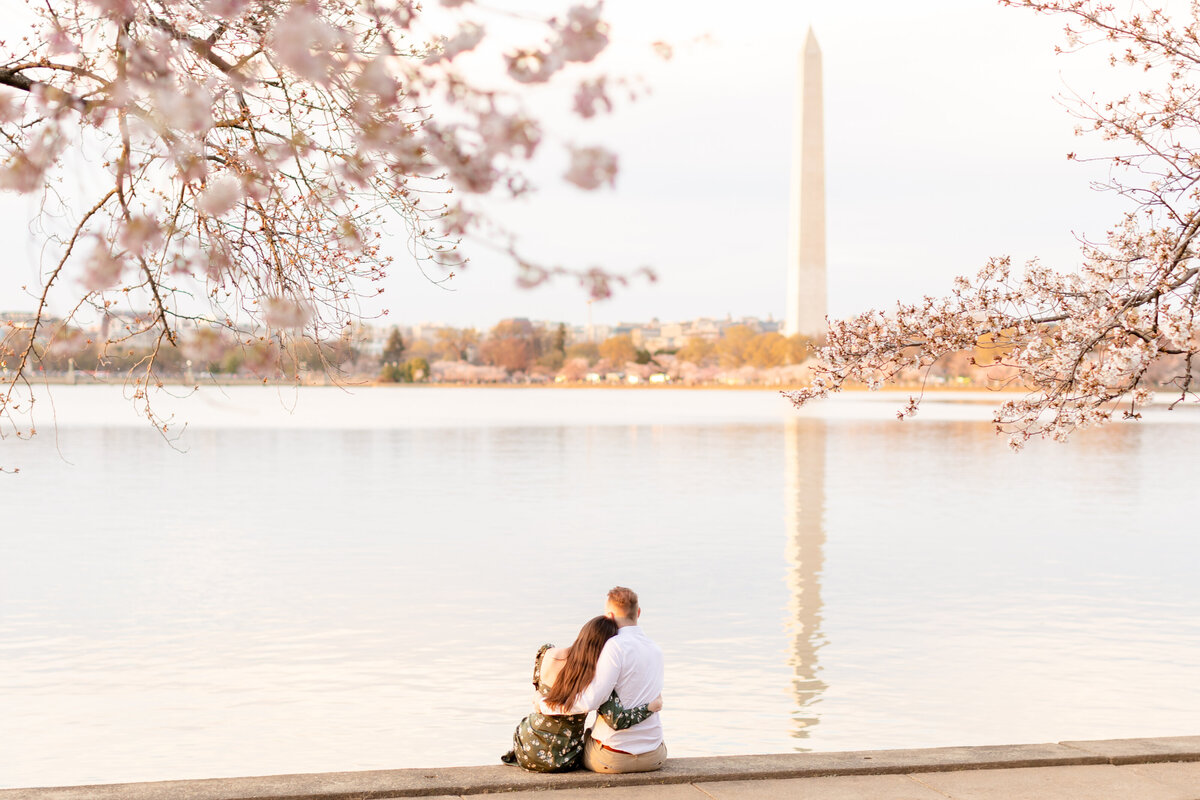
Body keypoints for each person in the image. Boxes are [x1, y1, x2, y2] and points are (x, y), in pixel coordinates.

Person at [502, 615, 663, 772]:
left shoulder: (546, 653)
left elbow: (537, 690)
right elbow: (617, 720)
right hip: (564, 757)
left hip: (527, 746)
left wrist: (541, 702)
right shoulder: (595, 678)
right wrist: (649, 707)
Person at [537, 586, 667, 774]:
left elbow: (590, 701)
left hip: (612, 758)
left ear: (609, 616)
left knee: (581, 743)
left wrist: (543, 705)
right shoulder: (656, 650)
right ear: (638, 612)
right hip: (655, 756)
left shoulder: (613, 647)